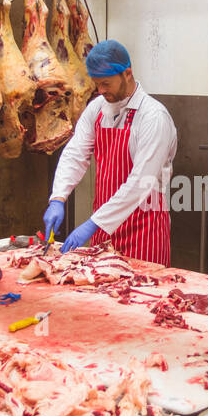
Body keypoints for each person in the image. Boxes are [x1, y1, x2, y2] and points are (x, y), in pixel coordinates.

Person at [42, 40, 177, 265]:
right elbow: (75, 154)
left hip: (143, 230)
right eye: (97, 84)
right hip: (104, 229)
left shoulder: (153, 116)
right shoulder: (96, 110)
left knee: (144, 295)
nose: (101, 91)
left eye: (106, 83)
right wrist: (58, 198)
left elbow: (140, 183)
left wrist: (93, 223)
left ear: (127, 73)